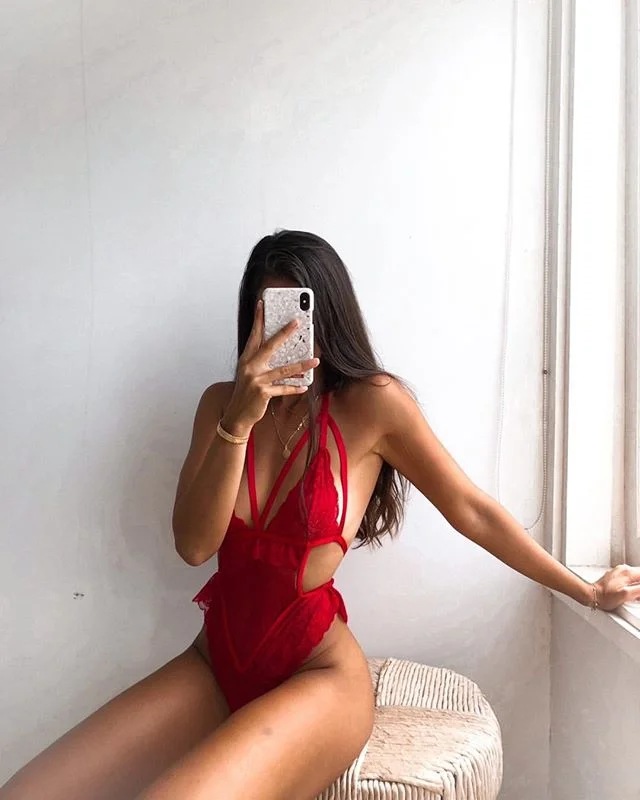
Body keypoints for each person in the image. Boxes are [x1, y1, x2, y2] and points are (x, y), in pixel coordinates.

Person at [3, 229, 640, 800]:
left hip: (319, 676)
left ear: (324, 314)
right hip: (215, 662)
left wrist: (586, 590)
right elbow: (194, 547)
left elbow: (472, 510)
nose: (283, 330)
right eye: (267, 312)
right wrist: (238, 422)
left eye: (296, 310)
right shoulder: (219, 405)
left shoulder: (374, 405)